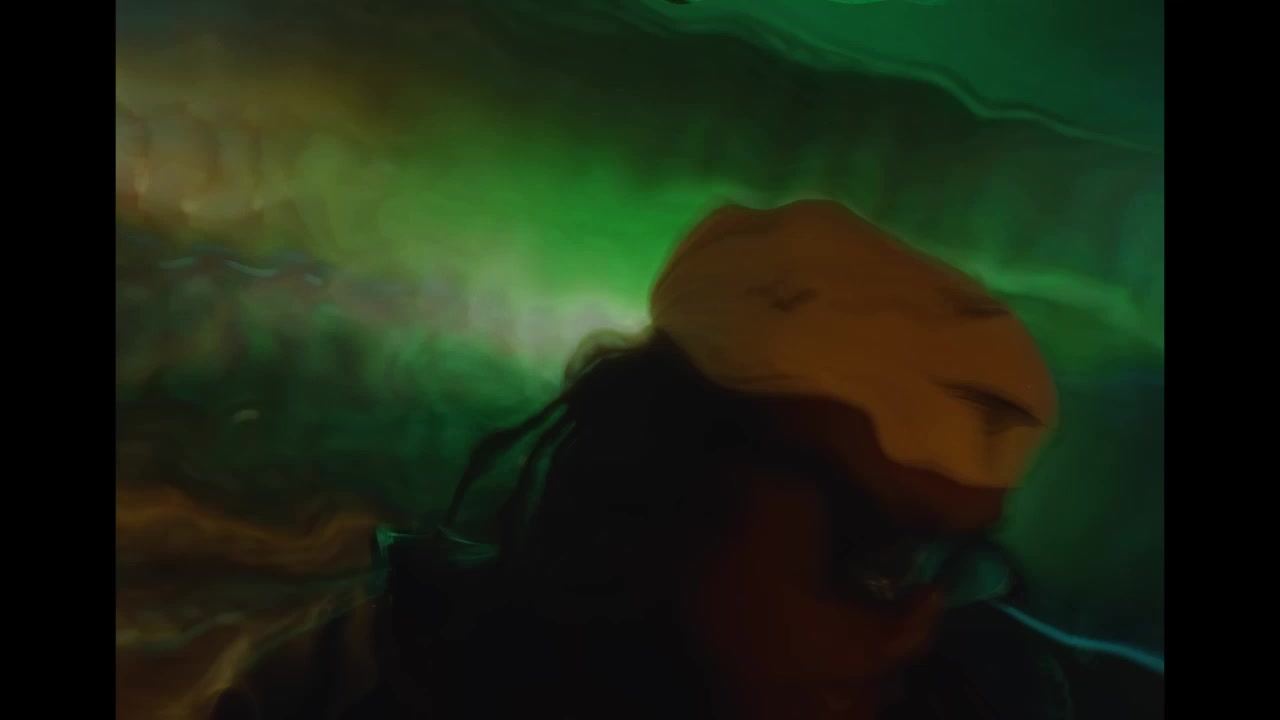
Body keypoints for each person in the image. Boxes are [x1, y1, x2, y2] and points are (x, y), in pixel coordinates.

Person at [216, 200, 1074, 719]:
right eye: (876, 553)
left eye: (954, 566)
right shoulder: (359, 682)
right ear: (668, 476)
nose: (912, 630)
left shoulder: (979, 700)